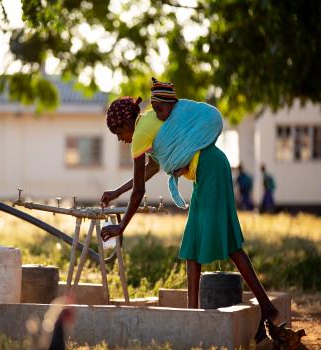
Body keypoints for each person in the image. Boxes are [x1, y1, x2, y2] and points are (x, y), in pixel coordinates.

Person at [100, 77, 279, 343]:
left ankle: (264, 308)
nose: (121, 140)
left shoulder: (140, 134)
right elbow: (151, 169)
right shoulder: (150, 122)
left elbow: (140, 191)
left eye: (119, 134)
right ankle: (195, 317)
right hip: (211, 166)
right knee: (192, 247)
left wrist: (121, 226)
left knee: (226, 244)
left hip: (208, 169)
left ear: (127, 124)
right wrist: (116, 193)